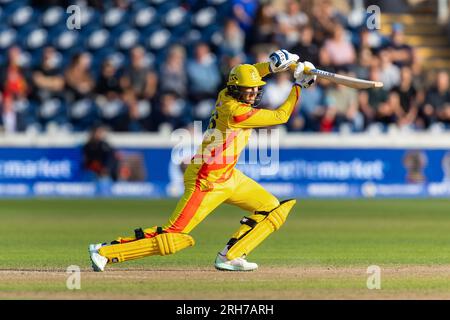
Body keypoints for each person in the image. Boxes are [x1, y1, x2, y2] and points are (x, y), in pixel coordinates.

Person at [88, 49, 317, 272]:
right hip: (206, 181)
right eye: (248, 91)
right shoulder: (237, 112)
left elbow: (249, 73)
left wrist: (273, 67)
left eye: (255, 89)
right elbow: (281, 116)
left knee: (272, 208)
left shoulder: (225, 94)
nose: (253, 93)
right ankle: (105, 251)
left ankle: (231, 256)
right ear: (237, 90)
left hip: (229, 176)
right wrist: (298, 86)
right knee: (174, 236)